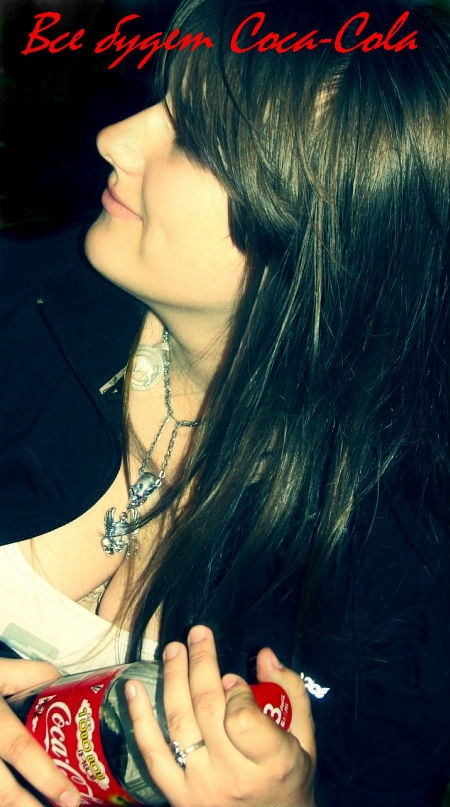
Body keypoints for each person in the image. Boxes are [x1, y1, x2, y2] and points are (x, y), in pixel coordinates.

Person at [0, 0, 448, 805]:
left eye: (198, 137)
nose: (116, 138)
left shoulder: (404, 579)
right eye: (162, 94)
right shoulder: (15, 303)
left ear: (326, 241)